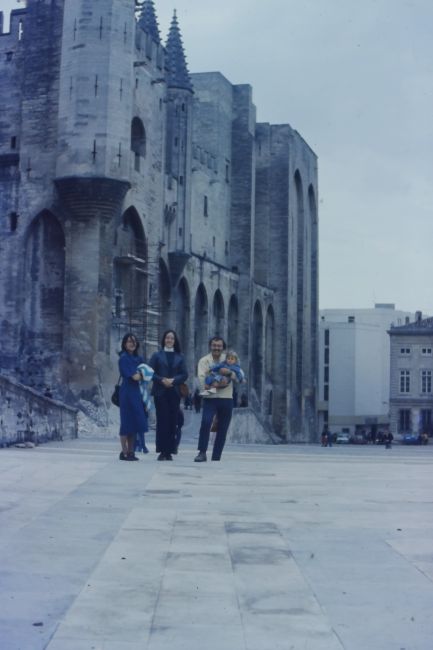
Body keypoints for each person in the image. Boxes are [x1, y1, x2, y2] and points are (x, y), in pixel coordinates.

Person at [194, 337, 237, 462]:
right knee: (206, 423)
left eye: (219, 346)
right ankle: (202, 452)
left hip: (227, 398)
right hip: (210, 398)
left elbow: (237, 374)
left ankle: (216, 456)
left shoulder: (229, 359)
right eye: (214, 345)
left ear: (223, 347)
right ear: (210, 346)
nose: (216, 348)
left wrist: (229, 373)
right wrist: (216, 387)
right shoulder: (204, 361)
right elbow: (202, 381)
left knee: (223, 428)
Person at [149, 330, 188, 461]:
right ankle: (161, 451)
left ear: (175, 340)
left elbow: (184, 374)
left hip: (175, 392)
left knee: (173, 421)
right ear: (164, 340)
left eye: (172, 338)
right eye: (167, 338)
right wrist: (161, 380)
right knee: (162, 421)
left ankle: (170, 451)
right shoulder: (156, 355)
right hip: (160, 392)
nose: (169, 340)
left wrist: (173, 381)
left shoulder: (180, 356)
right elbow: (150, 373)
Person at [118, 333, 148, 461]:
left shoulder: (139, 359)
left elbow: (147, 374)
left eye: (134, 342)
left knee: (135, 422)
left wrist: (141, 375)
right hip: (127, 393)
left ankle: (131, 451)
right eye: (129, 341)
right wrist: (140, 375)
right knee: (126, 422)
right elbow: (134, 376)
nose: (132, 344)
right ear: (125, 344)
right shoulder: (123, 358)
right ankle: (124, 452)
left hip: (137, 393)